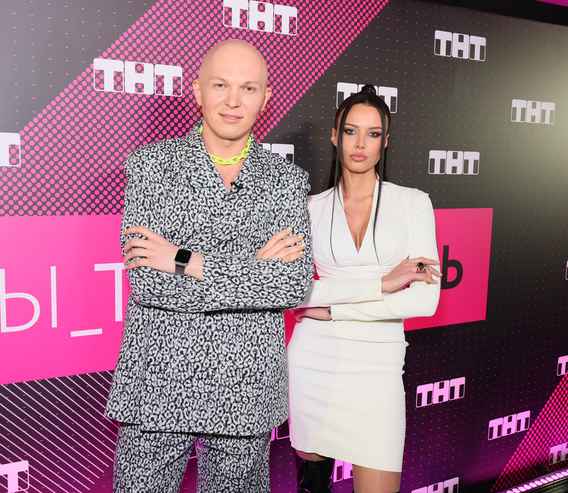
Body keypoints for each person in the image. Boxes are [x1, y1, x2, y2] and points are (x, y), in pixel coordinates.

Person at [104, 39, 314, 493]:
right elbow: (149, 283)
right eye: (220, 85)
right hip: (159, 379)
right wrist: (254, 268)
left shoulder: (286, 180)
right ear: (198, 90)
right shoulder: (151, 166)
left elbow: (292, 285)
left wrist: (184, 259)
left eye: (248, 88)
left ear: (265, 97)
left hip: (247, 385)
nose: (233, 101)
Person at [287, 85, 441, 493]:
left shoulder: (413, 204)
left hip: (379, 364)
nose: (360, 144)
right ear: (334, 136)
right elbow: (294, 292)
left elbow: (425, 299)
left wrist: (335, 308)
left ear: (385, 141)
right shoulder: (309, 208)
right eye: (350, 131)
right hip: (313, 361)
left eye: (373, 134)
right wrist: (383, 284)